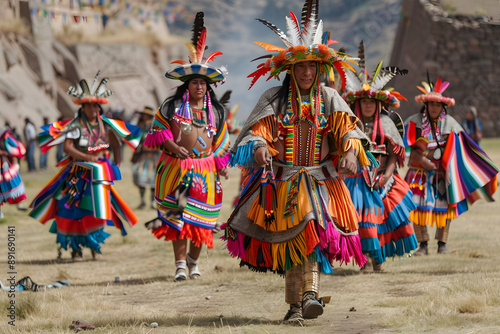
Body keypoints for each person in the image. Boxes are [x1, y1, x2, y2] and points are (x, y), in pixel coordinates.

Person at [222, 0, 370, 323]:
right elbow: (255, 131)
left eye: (312, 67)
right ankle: (295, 306)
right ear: (290, 69)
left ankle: (310, 296)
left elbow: (350, 130)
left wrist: (349, 152)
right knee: (294, 242)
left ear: (320, 69)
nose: (306, 72)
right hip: (285, 181)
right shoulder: (274, 98)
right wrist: (260, 147)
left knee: (312, 232)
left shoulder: (330, 98)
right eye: (300, 67)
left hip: (319, 181)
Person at [144, 12, 230, 282]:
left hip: (205, 173)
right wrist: (172, 145)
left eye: (203, 83)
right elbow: (156, 130)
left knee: (200, 220)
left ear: (208, 86)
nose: (199, 87)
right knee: (179, 218)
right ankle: (180, 265)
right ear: (186, 85)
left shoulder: (216, 111)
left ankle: (194, 262)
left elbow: (221, 143)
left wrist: (221, 165)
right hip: (177, 170)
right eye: (195, 82)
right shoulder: (170, 107)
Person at [29, 71, 141, 261]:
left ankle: (93, 245)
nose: (93, 109)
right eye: (89, 105)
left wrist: (116, 166)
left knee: (95, 210)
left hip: (98, 176)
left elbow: (116, 144)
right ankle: (75, 249)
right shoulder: (76, 126)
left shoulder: (105, 125)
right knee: (71, 208)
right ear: (83, 107)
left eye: (95, 105)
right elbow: (67, 147)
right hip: (76, 175)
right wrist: (85, 157)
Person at [404, 76, 498, 255]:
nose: (434, 107)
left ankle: (442, 244)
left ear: (443, 106)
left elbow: (463, 147)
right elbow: (407, 145)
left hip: (443, 173)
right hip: (419, 172)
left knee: (444, 208)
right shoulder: (414, 121)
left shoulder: (451, 124)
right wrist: (423, 160)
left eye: (437, 104)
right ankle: (422, 244)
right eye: (431, 103)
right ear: (426, 104)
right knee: (417, 206)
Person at [342, 51, 418, 272]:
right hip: (356, 181)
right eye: (364, 101)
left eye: (372, 102)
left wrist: (387, 175)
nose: (368, 105)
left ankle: (379, 260)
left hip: (382, 179)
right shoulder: (350, 124)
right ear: (358, 102)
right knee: (362, 221)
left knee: (379, 221)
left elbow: (394, 153)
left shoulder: (386, 123)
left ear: (378, 104)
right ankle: (365, 259)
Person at [131, 106, 159, 209]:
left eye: (145, 115)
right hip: (142, 157)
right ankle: (142, 201)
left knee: (153, 180)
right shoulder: (141, 126)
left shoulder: (155, 126)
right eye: (143, 115)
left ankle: (152, 202)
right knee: (139, 178)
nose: (143, 116)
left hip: (153, 157)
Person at [0, 127, 27, 218]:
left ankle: (19, 204)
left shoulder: (6, 138)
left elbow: (14, 150)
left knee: (12, 186)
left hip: (6, 168)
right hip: (3, 169)